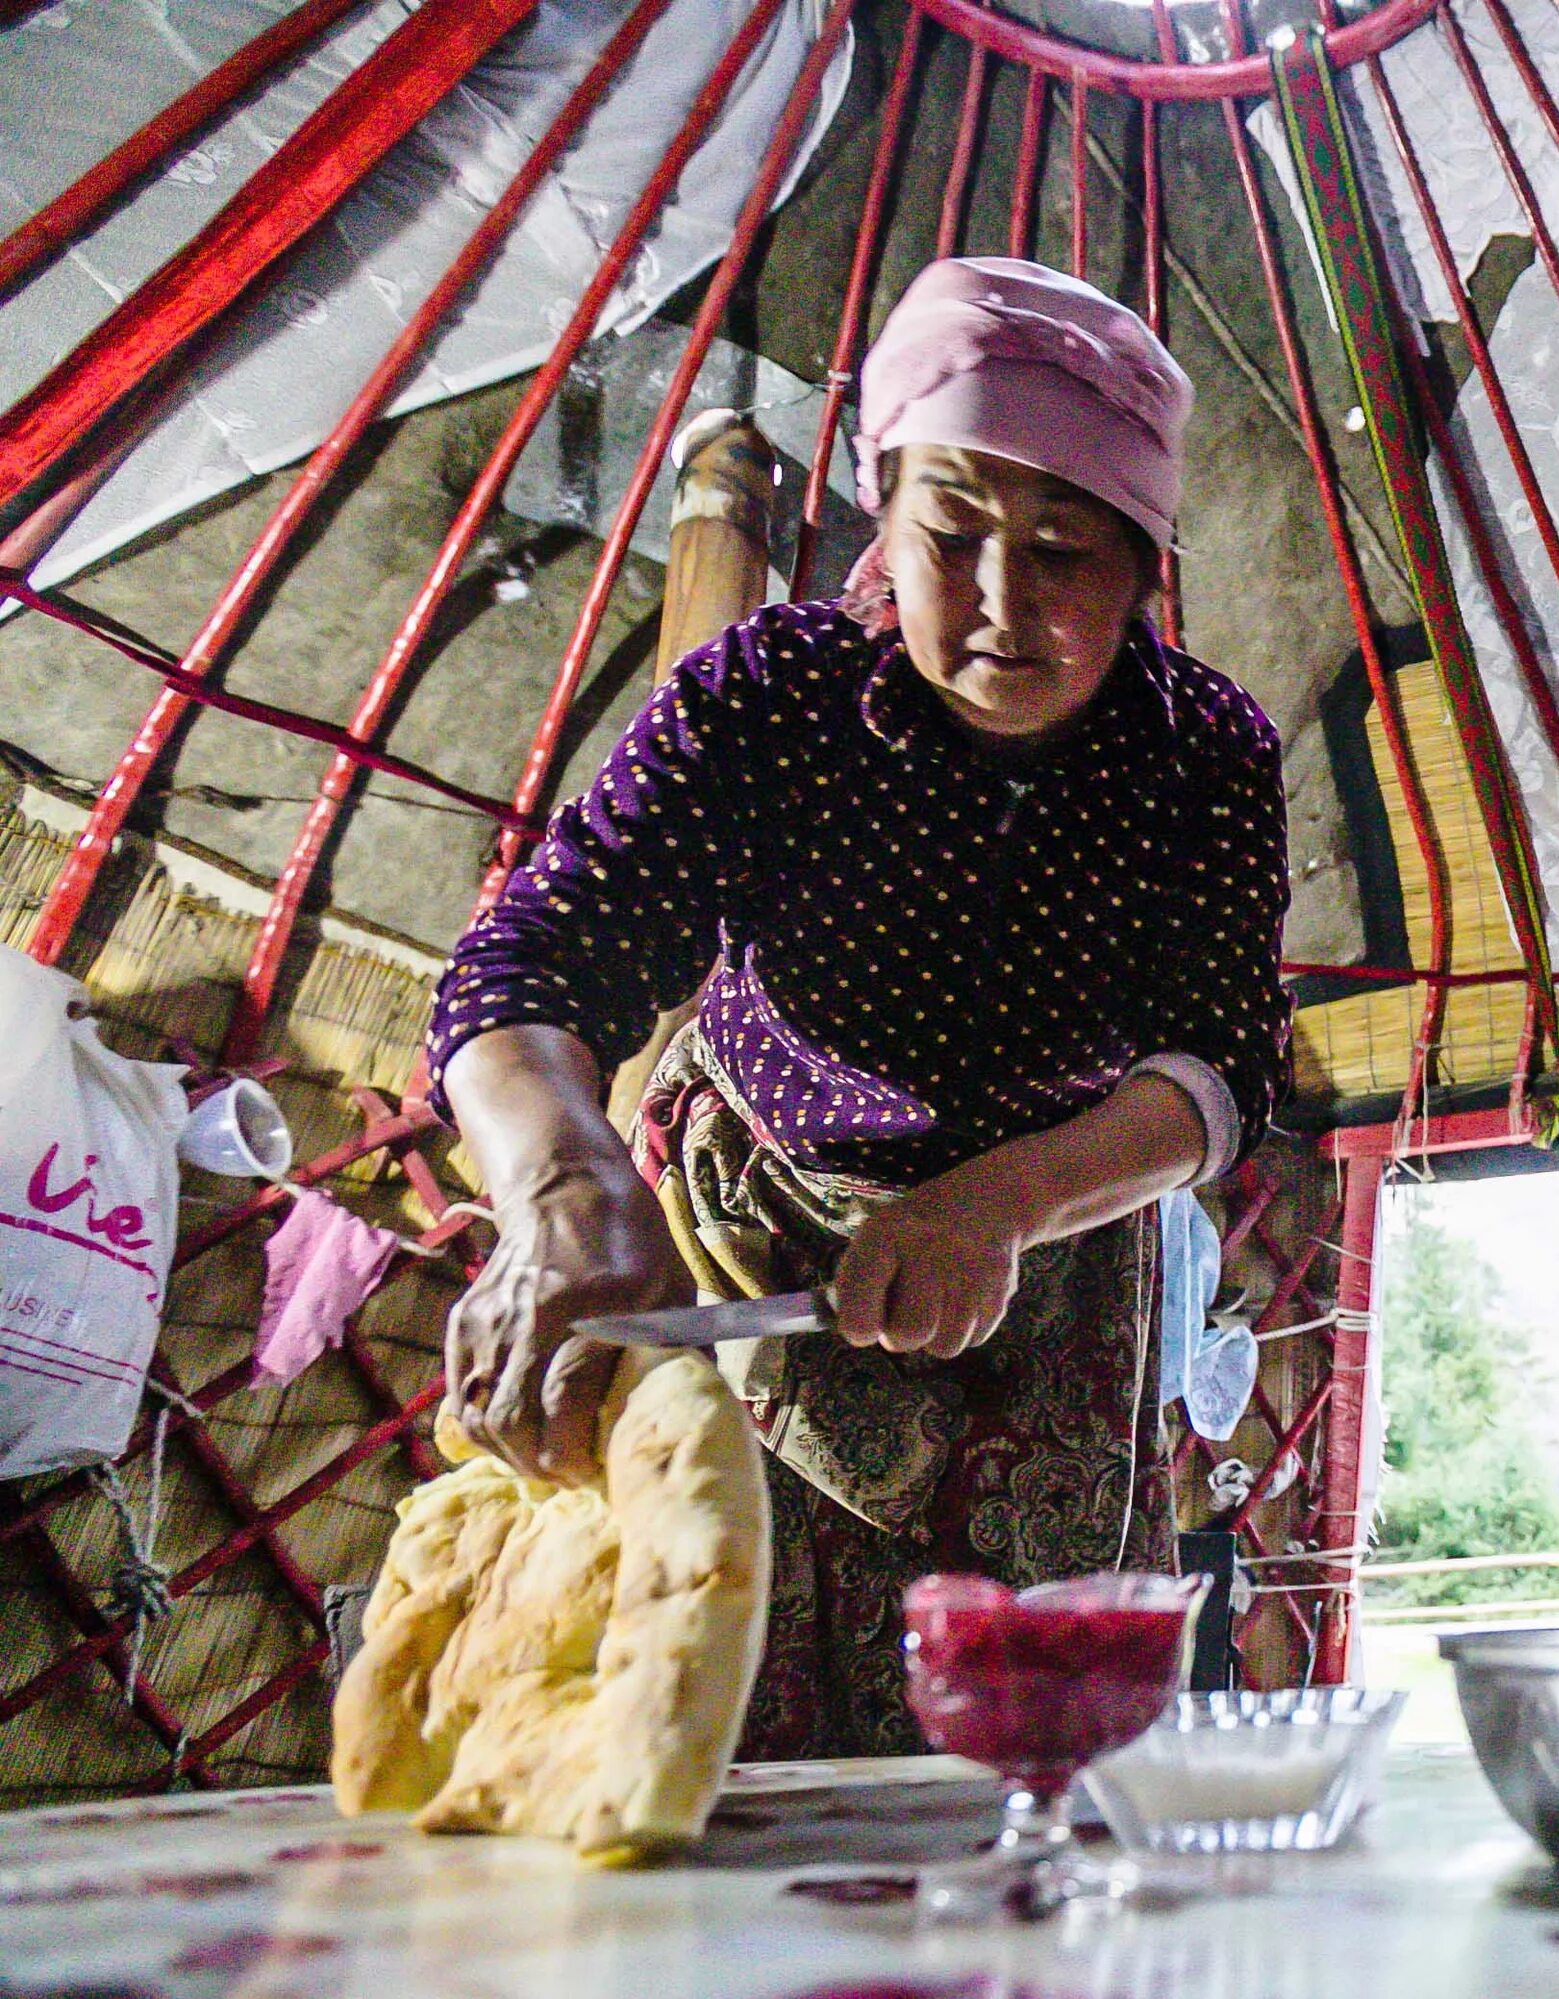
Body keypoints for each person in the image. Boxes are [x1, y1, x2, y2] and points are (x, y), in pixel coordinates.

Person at [422, 258, 1291, 1756]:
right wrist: (561, 1191)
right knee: (708, 1692)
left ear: (1151, 563)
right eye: (950, 535)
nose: (1003, 610)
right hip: (742, 1217)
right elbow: (525, 969)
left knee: (1027, 1732)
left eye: (1070, 554)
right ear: (882, 508)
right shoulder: (765, 697)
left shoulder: (1200, 753)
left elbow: (1220, 1066)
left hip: (1054, 1253)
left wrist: (1002, 1206)